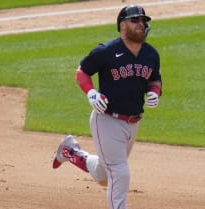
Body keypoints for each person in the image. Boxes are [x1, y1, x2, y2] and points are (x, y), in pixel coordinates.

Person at [52, 5, 162, 209]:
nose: (141, 24)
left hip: (133, 123)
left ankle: (69, 151)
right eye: (135, 20)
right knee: (119, 172)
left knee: (105, 174)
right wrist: (91, 92)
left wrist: (154, 92)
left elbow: (154, 79)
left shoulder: (151, 54)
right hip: (107, 120)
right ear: (122, 26)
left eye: (143, 21)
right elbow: (82, 72)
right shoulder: (107, 51)